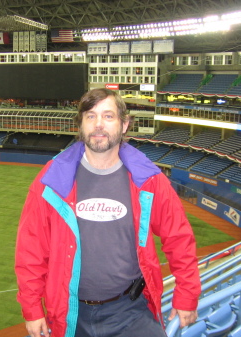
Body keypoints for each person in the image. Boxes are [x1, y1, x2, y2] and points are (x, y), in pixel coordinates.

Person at [15, 88, 201, 337]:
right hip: (69, 313)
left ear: (124, 125)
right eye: (90, 116)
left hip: (131, 311)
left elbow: (179, 238)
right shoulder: (51, 179)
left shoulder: (148, 179)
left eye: (108, 116)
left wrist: (187, 295)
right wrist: (32, 308)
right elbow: (31, 248)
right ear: (80, 125)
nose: (99, 124)